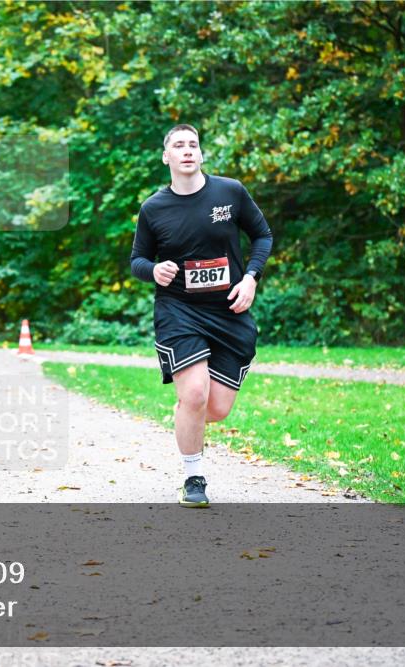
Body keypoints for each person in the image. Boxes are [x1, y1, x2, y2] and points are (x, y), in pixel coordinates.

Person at [130, 124, 273, 507]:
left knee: (216, 409)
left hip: (228, 310)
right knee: (194, 394)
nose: (187, 150)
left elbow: (263, 236)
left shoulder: (230, 192)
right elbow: (137, 260)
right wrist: (154, 271)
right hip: (179, 310)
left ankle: (186, 418)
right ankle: (194, 477)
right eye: (179, 145)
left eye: (193, 144)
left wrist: (251, 279)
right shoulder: (153, 208)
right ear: (167, 157)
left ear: (201, 154)